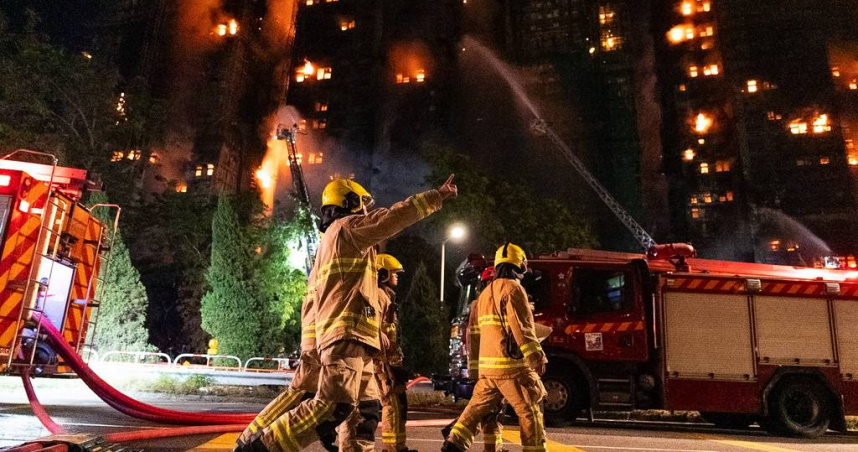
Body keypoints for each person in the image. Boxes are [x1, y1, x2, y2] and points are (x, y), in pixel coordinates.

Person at [239, 175, 457, 452]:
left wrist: (314, 346)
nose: (366, 211)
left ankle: (255, 443)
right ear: (350, 202)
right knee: (333, 405)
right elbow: (388, 219)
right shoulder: (346, 229)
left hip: (353, 342)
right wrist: (435, 197)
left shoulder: (331, 243)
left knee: (363, 412)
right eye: (363, 204)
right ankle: (259, 448)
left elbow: (314, 300)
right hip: (346, 337)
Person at [442, 243, 548, 452]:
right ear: (520, 265)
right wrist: (536, 357)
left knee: (475, 411)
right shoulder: (514, 288)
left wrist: (475, 371)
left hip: (488, 371)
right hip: (512, 368)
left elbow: (477, 334)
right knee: (530, 409)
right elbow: (522, 328)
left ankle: (453, 444)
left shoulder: (484, 295)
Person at [340, 253, 415, 452]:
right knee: (392, 404)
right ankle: (394, 448)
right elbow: (372, 324)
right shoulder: (379, 296)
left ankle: (396, 446)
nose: (397, 276)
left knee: (394, 404)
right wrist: (380, 339)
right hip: (382, 361)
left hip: (386, 359)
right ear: (382, 274)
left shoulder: (385, 296)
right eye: (393, 273)